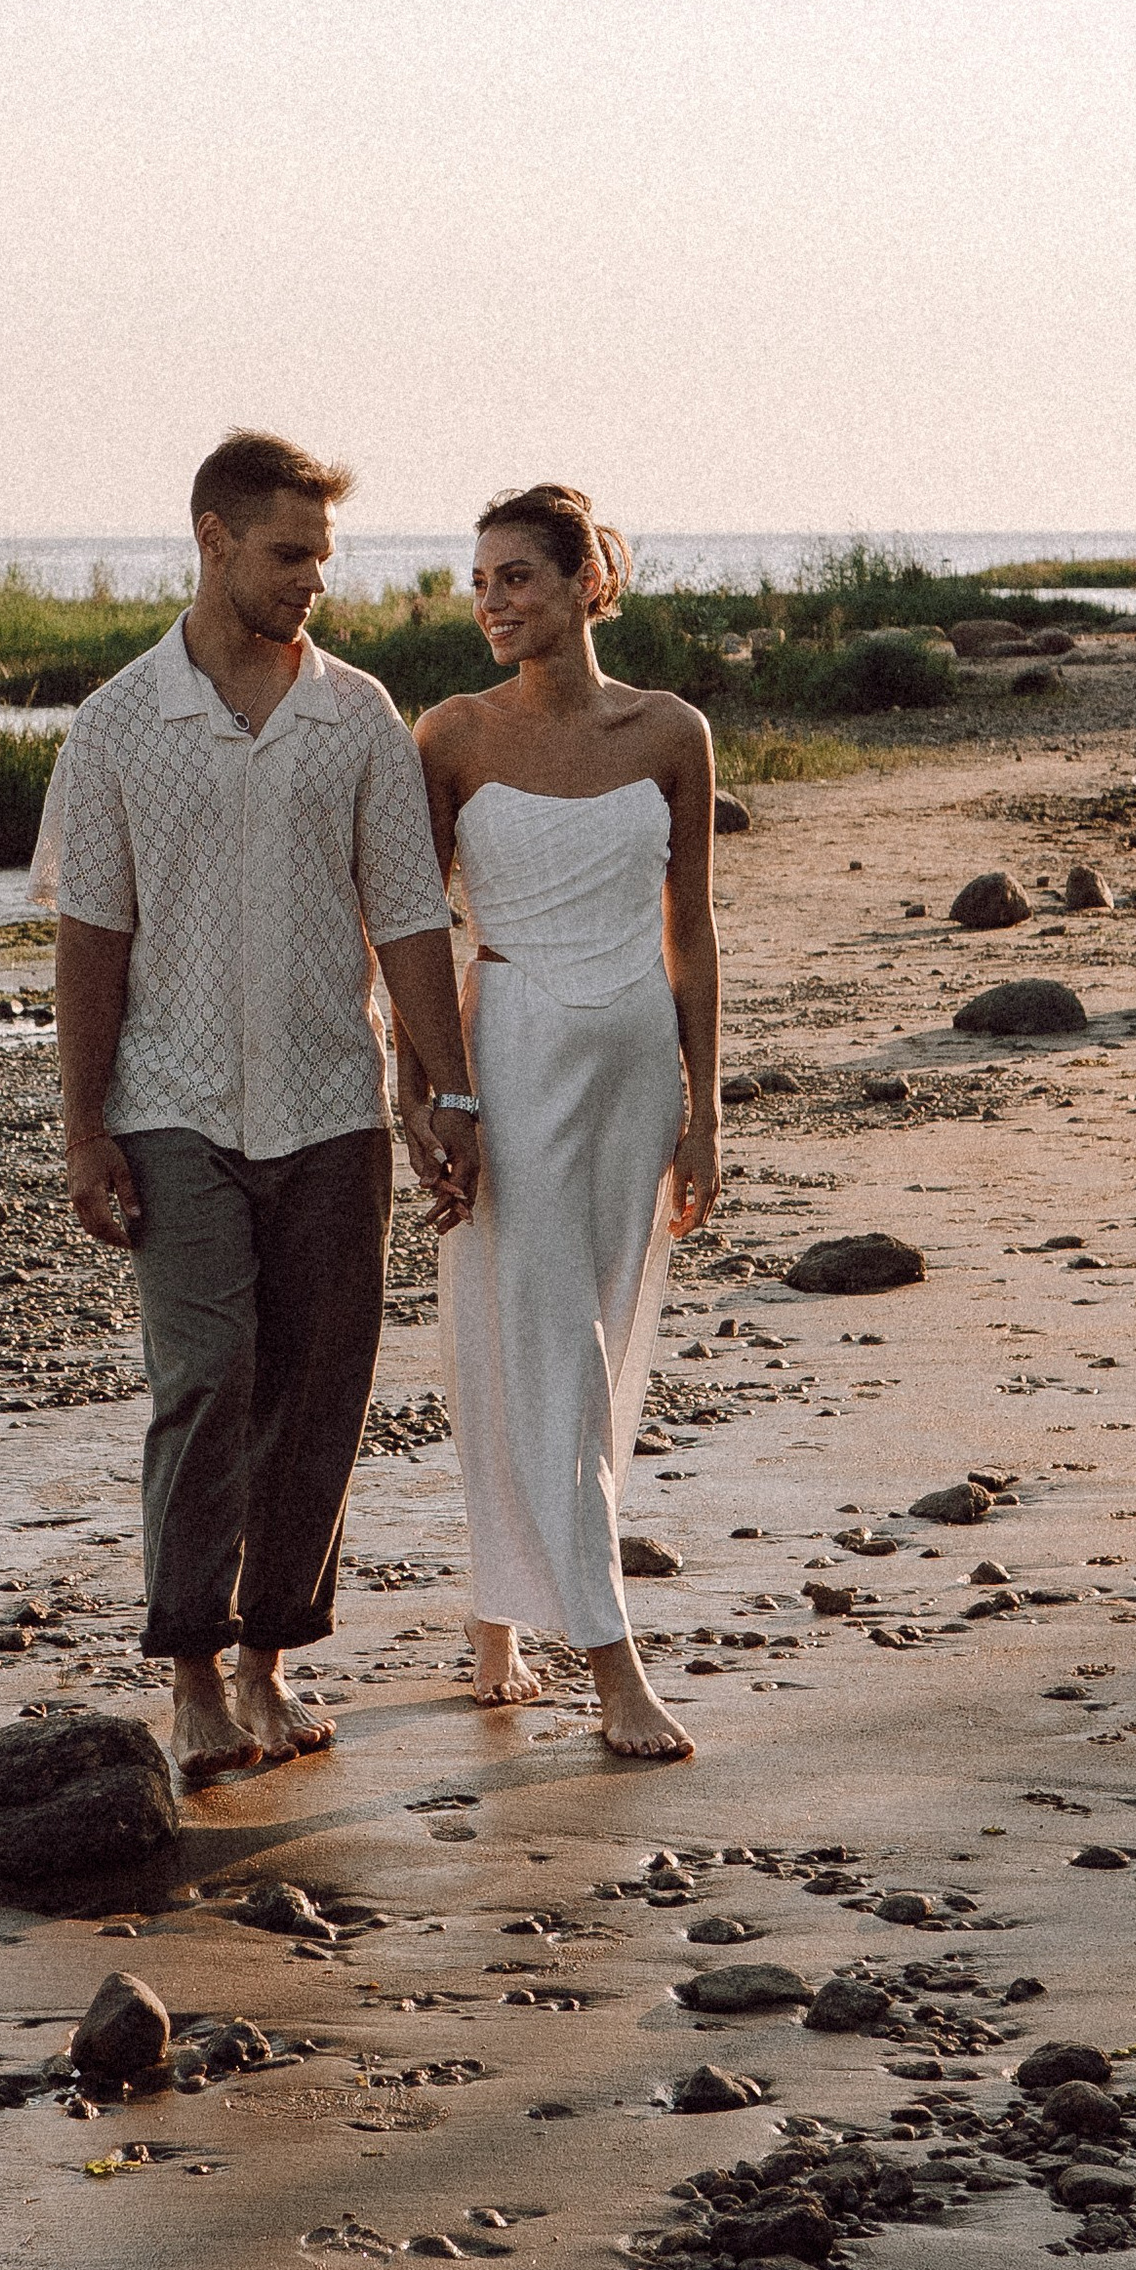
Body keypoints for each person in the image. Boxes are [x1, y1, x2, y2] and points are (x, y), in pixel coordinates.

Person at [34, 432, 482, 1784]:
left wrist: (441, 1086)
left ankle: (271, 1659)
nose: (313, 583)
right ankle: (188, 1677)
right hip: (172, 1101)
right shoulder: (118, 726)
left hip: (332, 1104)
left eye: (324, 560)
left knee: (321, 1385)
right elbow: (90, 942)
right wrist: (85, 1126)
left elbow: (408, 919)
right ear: (215, 541)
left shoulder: (356, 715)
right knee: (210, 1378)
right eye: (289, 555)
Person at [406, 485, 721, 1759]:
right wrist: (430, 1092)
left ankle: (499, 1609)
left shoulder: (673, 732)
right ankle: (611, 1664)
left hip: (636, 1058)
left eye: (519, 577)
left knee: (578, 1337)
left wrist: (707, 1109)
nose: (492, 602)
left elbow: (690, 931)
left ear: (589, 580)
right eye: (480, 580)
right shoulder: (450, 735)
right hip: (512, 1052)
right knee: (541, 1346)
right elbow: (413, 929)